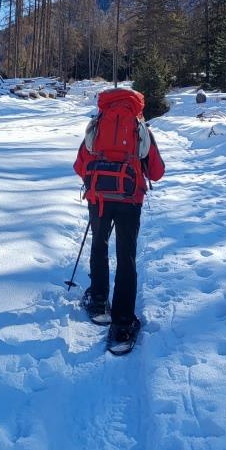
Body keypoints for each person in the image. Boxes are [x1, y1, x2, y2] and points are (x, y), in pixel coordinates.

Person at [73, 88, 165, 352]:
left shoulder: (97, 124)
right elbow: (156, 172)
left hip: (99, 198)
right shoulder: (140, 127)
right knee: (126, 256)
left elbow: (80, 165)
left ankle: (99, 303)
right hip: (130, 199)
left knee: (99, 245)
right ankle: (122, 327)